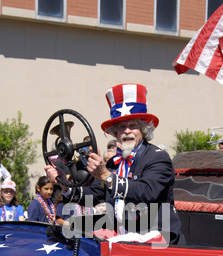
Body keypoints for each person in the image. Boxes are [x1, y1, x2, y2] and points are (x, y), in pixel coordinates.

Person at [45, 83, 181, 244]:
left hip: (156, 234)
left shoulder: (158, 157)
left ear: (144, 129)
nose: (127, 131)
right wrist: (65, 185)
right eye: (122, 127)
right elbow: (94, 194)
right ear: (115, 133)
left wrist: (106, 176)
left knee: (106, 246)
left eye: (133, 126)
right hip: (125, 232)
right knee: (67, 235)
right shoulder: (115, 163)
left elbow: (147, 192)